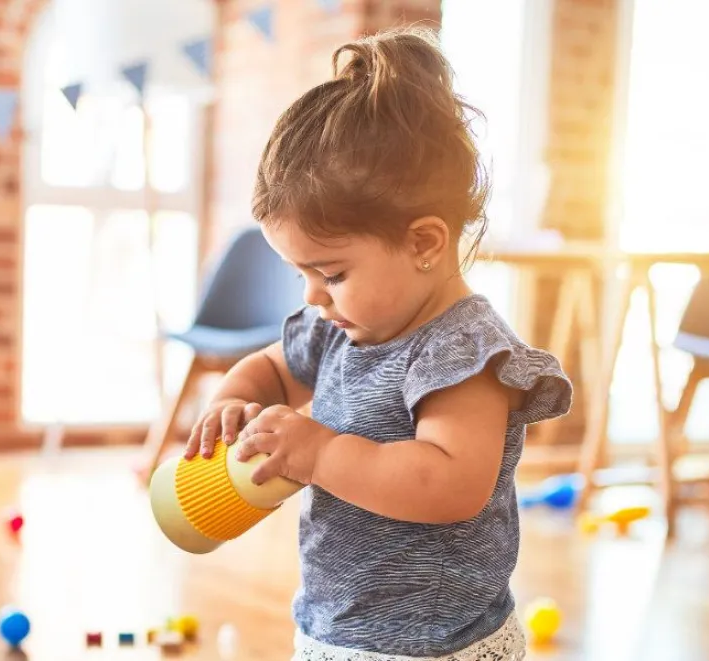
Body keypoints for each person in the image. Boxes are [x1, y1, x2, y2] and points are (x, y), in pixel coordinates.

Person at [181, 25, 574, 661]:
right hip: (336, 627)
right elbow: (270, 370)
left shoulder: (462, 352)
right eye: (301, 274)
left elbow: (449, 485)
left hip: (440, 648)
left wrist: (320, 453)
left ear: (424, 243)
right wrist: (234, 400)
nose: (313, 296)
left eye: (331, 273)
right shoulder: (341, 326)